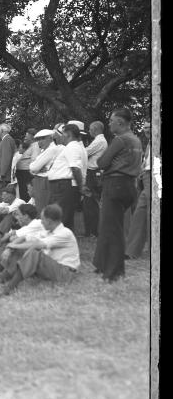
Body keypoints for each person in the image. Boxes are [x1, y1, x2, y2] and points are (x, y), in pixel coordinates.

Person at [93, 109, 142, 282]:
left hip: (115, 185)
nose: (109, 123)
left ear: (120, 122)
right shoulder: (136, 140)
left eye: (111, 120)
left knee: (113, 229)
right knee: (112, 226)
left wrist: (106, 162)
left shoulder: (120, 140)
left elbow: (102, 162)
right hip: (130, 186)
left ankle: (114, 272)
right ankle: (102, 264)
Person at [0, 204, 80, 296]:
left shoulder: (65, 233)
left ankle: (10, 286)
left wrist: (12, 245)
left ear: (49, 221)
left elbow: (38, 245)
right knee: (23, 249)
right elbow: (27, 238)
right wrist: (10, 248)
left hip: (65, 272)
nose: (41, 222)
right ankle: (2, 277)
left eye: (42, 220)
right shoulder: (48, 231)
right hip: (52, 267)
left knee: (35, 253)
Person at [0, 203, 42, 282]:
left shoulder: (35, 224)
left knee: (16, 249)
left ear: (26, 216)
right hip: (36, 255)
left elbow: (13, 238)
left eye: (19, 215)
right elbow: (14, 237)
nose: (17, 218)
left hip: (40, 258)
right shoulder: (30, 225)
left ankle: (0, 276)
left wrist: (9, 245)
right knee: (12, 247)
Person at [46, 123, 88, 231]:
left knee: (61, 217)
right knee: (62, 216)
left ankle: (59, 240)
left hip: (64, 185)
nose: (61, 136)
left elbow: (75, 168)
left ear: (68, 134)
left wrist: (80, 186)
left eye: (63, 134)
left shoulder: (72, 147)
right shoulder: (72, 147)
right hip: (62, 185)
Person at [126, 121, 152, 259]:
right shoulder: (149, 143)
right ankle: (132, 251)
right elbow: (146, 162)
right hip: (146, 178)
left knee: (147, 213)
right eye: (145, 127)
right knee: (140, 212)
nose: (146, 130)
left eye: (150, 127)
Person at [83, 121, 108, 237]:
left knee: (90, 202)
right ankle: (91, 231)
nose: (89, 131)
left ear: (96, 129)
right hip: (94, 173)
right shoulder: (100, 141)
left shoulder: (99, 141)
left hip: (93, 173)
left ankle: (92, 231)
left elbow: (85, 152)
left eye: (90, 129)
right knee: (90, 202)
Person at [29, 129, 58, 213]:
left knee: (42, 209)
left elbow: (33, 167)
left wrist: (35, 169)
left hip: (43, 182)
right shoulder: (45, 150)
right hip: (41, 180)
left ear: (50, 138)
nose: (39, 142)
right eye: (38, 139)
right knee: (40, 207)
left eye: (42, 139)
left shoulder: (51, 150)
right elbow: (32, 168)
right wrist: (36, 169)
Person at [15, 128, 39, 201]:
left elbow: (34, 160)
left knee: (25, 194)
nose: (25, 137)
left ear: (32, 136)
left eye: (27, 135)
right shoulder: (30, 146)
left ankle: (26, 209)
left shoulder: (35, 146)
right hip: (22, 174)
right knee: (22, 193)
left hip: (26, 174)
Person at [0, 123, 17, 189]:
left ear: (2, 131)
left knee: (1, 196)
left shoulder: (7, 139)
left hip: (3, 177)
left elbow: (6, 158)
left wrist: (2, 174)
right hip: (3, 175)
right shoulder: (6, 140)